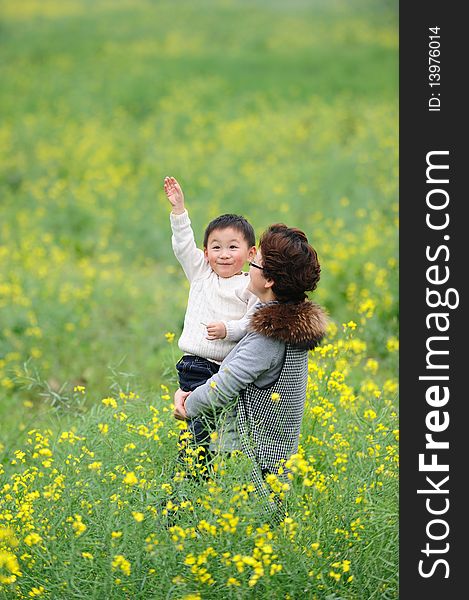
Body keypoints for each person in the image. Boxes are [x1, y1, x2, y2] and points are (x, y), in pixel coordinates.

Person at [173, 223, 327, 513]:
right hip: (260, 458)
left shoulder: (268, 339)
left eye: (256, 262)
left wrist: (187, 404)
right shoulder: (278, 320)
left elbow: (225, 386)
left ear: (268, 280)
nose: (249, 264)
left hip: (257, 464)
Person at [164, 176, 258, 469]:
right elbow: (182, 246)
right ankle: (192, 478)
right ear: (205, 253)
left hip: (230, 370)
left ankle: (219, 477)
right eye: (216, 247)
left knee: (228, 437)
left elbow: (251, 323)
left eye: (233, 247)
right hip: (196, 365)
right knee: (197, 435)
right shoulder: (202, 274)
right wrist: (179, 210)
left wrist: (228, 329)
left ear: (250, 253)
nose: (224, 254)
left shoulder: (248, 286)